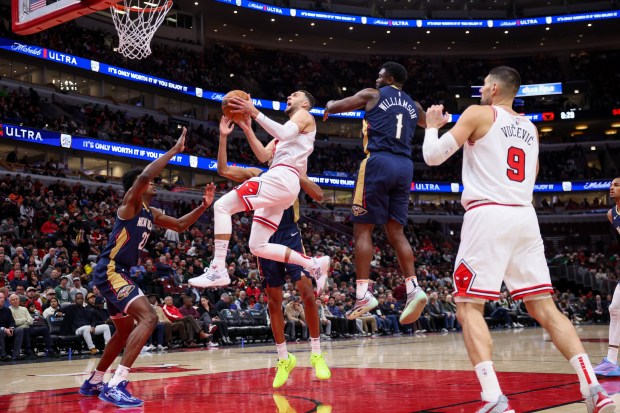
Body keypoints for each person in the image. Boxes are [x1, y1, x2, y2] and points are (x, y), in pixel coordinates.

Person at [422, 65, 615, 413]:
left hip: (488, 215)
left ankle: (494, 398)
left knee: (468, 307)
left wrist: (433, 128)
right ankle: (593, 390)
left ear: (495, 88)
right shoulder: (530, 127)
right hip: (525, 217)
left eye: (483, 84)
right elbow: (533, 172)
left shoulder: (479, 113)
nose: (480, 89)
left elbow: (432, 157)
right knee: (545, 308)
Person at [79, 127, 215, 408]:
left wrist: (203, 206)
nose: (155, 184)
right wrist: (175, 151)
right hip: (111, 270)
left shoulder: (150, 213)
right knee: (150, 318)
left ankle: (95, 380)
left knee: (124, 332)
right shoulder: (129, 205)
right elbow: (143, 176)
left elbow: (179, 225)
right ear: (138, 187)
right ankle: (116, 384)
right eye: (152, 182)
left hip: (121, 273)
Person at [205, 115, 330, 387]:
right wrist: (224, 136)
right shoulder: (258, 174)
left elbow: (320, 195)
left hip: (290, 234)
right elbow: (224, 169)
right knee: (273, 301)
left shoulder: (292, 174)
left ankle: (317, 354)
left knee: (307, 293)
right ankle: (284, 358)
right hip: (265, 239)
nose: (274, 149)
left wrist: (299, 176)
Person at [188, 91, 330, 292]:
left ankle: (218, 267)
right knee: (257, 246)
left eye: (295, 95)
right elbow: (263, 155)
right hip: (282, 184)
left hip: (282, 177)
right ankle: (312, 264)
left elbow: (283, 133)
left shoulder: (305, 117)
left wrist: (254, 112)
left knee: (222, 206)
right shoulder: (285, 137)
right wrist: (247, 128)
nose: (289, 97)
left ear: (305, 103)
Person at [323, 62, 428, 322]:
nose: (376, 78)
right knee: (396, 231)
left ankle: (363, 293)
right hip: (405, 166)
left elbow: (339, 106)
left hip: (378, 162)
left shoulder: (373, 93)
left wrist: (329, 105)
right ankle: (414, 288)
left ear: (389, 77)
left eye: (380, 75)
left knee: (363, 228)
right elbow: (429, 121)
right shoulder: (414, 106)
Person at [594, 176, 620, 377]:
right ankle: (611, 360)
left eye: (617, 185)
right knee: (614, 309)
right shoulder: (611, 214)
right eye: (611, 185)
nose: (612, 188)